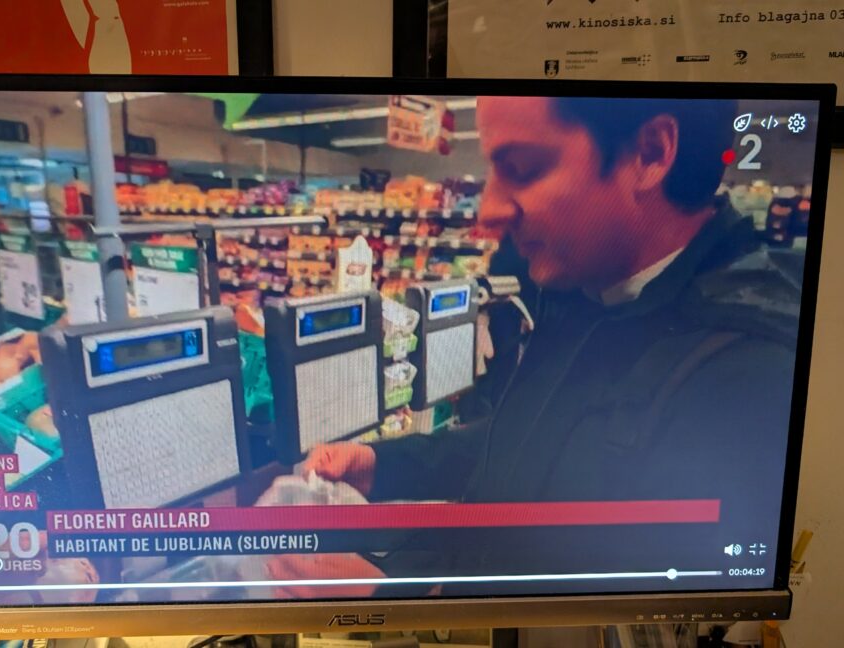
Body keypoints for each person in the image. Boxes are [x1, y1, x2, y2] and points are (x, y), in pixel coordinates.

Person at [267, 95, 804, 597]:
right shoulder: (584, 289)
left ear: (649, 154)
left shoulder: (750, 373)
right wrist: (384, 465)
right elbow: (533, 442)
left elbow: (613, 595)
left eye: (522, 170)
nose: (489, 211)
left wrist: (402, 592)